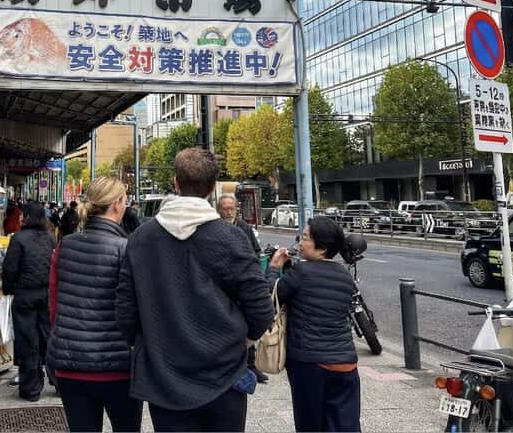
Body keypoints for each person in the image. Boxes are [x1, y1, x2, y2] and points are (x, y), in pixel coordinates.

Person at [116, 148, 274, 432]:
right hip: (224, 376)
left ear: (176, 183)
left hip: (163, 377)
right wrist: (245, 342)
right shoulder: (231, 238)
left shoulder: (141, 238)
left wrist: (145, 345)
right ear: (213, 187)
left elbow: (126, 310)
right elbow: (261, 308)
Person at [47, 177, 143, 432]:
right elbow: (133, 309)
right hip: (118, 368)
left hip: (70, 364)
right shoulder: (127, 249)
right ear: (116, 204)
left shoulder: (64, 246)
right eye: (124, 200)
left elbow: (54, 305)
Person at [268, 217, 361, 433]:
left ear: (322, 248)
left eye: (306, 238)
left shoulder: (302, 272)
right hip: (346, 364)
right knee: (345, 426)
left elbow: (270, 298)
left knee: (310, 425)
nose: (300, 242)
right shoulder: (345, 276)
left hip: (310, 363)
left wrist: (274, 268)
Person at [2, 202, 56, 401]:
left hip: (25, 297)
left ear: (26, 217)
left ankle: (31, 389)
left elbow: (10, 269)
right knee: (49, 338)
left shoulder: (18, 239)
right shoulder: (51, 237)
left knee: (28, 341)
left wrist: (8, 290)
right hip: (46, 295)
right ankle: (58, 382)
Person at [216, 193, 267, 384]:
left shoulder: (243, 227)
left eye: (232, 208)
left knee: (248, 321)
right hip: (222, 284)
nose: (229, 211)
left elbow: (255, 252)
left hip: (241, 282)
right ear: (219, 209)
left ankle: (251, 365)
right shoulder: (214, 227)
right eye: (226, 208)